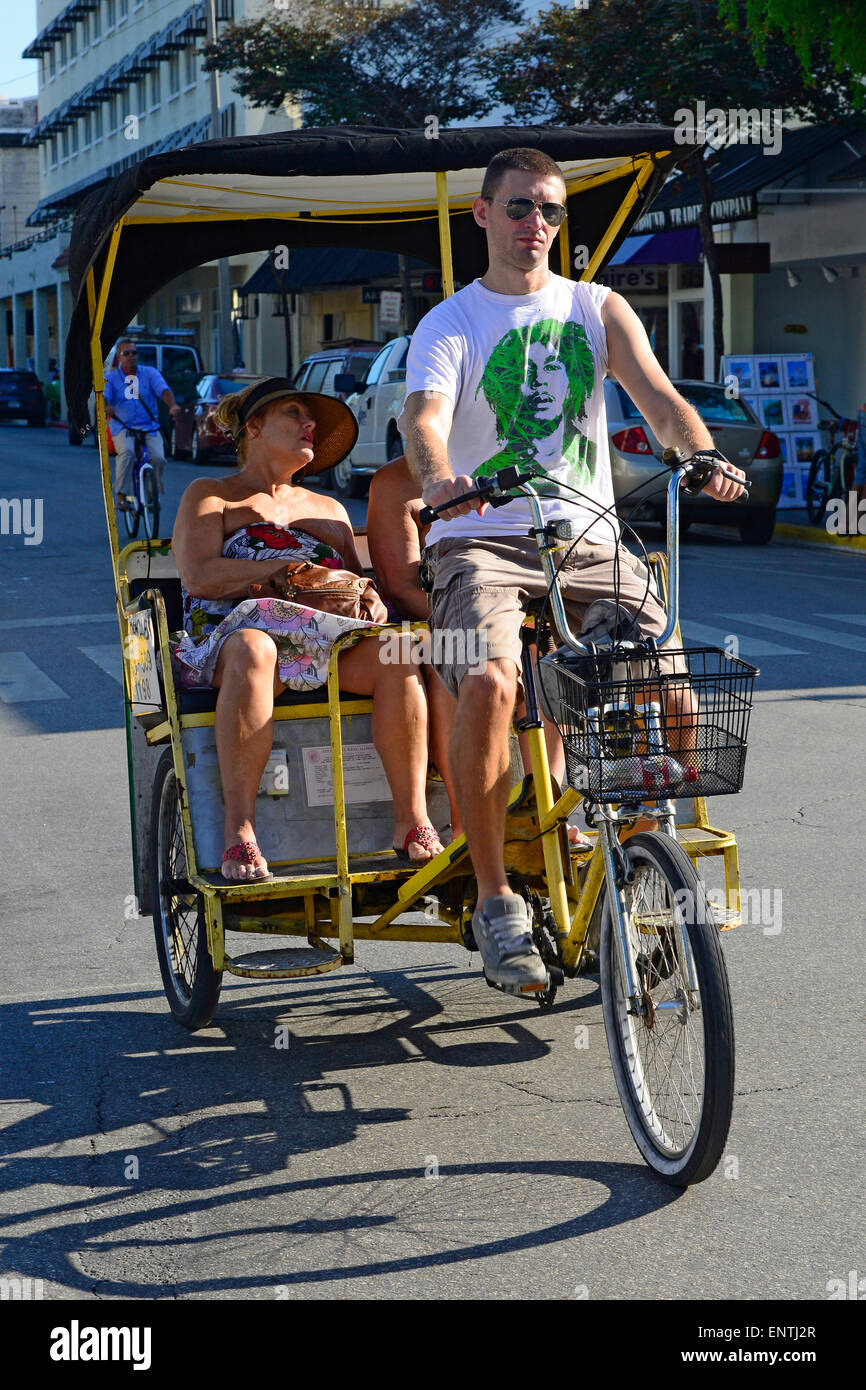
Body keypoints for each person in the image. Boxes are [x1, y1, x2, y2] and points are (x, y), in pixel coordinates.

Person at [399, 146, 745, 990]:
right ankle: (496, 904)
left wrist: (698, 454)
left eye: (550, 211)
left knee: (671, 671)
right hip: (480, 537)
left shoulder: (596, 306)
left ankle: (640, 854)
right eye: (519, 208)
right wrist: (443, 482)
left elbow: (659, 397)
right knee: (487, 682)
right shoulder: (451, 322)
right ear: (483, 215)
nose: (537, 225)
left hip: (586, 533)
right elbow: (424, 415)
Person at [171, 377, 445, 882]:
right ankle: (240, 830)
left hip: (326, 636)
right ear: (254, 426)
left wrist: (368, 599)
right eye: (294, 414)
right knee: (256, 650)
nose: (309, 424)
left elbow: (358, 584)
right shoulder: (212, 496)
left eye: (310, 418)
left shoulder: (329, 509)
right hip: (236, 632)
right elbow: (199, 575)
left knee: (399, 653)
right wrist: (272, 575)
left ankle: (411, 820)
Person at [366, 454, 590, 846]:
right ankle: (466, 819)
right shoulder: (394, 483)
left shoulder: (510, 460)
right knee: (465, 654)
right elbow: (401, 586)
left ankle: (547, 806)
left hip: (513, 609)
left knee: (546, 653)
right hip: (436, 617)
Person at [103, 339, 180, 509]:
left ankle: (152, 494)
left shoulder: (150, 373)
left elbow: (164, 391)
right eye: (126, 353)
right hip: (123, 426)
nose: (131, 356)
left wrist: (172, 405)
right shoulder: (111, 378)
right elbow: (104, 397)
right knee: (128, 452)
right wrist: (107, 406)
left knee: (158, 458)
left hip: (149, 426)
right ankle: (122, 495)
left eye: (134, 353)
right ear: (119, 357)